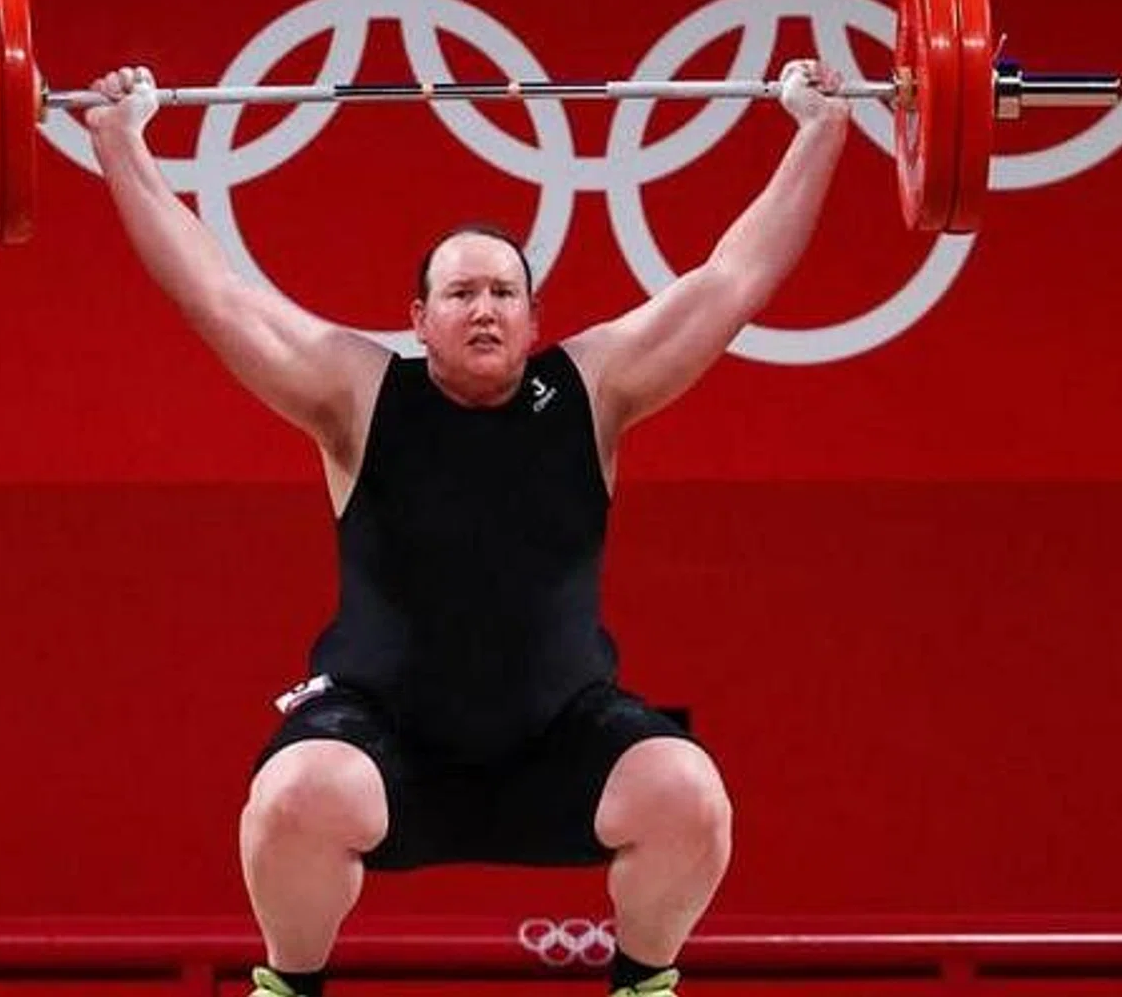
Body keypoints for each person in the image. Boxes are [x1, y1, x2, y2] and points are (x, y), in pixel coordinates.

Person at [83, 58, 850, 997]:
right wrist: (122, 145)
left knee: (689, 796)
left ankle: (642, 986)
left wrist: (819, 131)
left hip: (556, 740)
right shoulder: (355, 394)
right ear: (419, 319)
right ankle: (289, 989)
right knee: (290, 797)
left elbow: (734, 280)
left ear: (534, 319)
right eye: (460, 294)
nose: (483, 307)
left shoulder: (594, 389)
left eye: (502, 292)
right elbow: (215, 294)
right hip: (384, 744)